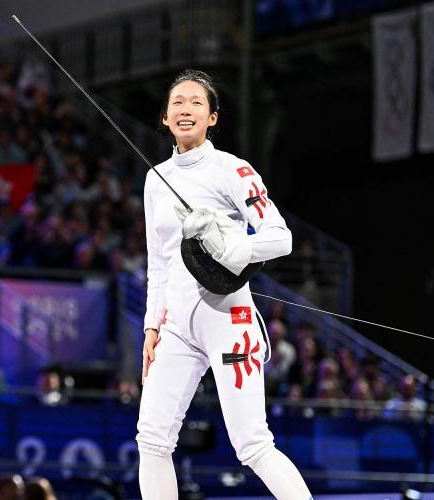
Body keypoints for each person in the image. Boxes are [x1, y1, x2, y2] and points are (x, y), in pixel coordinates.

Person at [137, 69, 312, 499]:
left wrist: (238, 247)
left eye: (197, 102)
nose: (186, 109)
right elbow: (158, 263)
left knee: (252, 444)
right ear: (165, 117)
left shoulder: (232, 169)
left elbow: (281, 237)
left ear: (212, 117)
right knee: (152, 440)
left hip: (227, 318)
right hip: (175, 325)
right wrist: (151, 326)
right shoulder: (155, 179)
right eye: (178, 102)